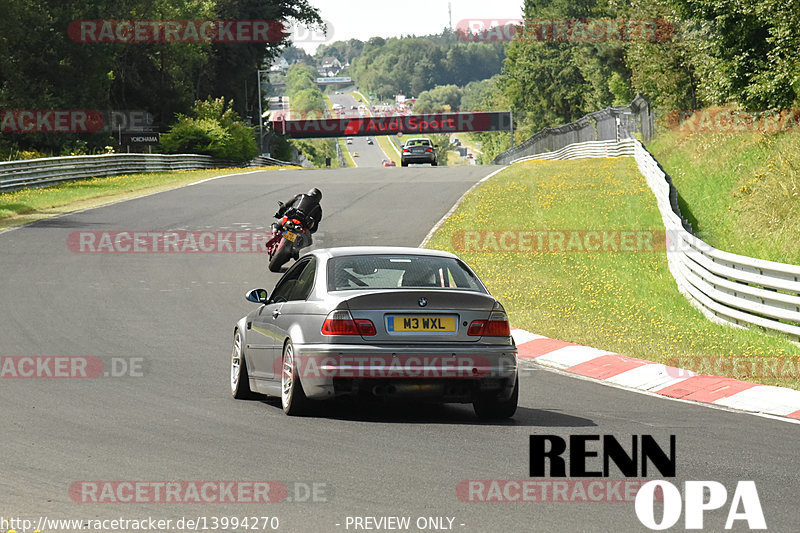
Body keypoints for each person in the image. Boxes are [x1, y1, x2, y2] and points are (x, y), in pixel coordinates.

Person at [270, 188, 323, 256]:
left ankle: (274, 234)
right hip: (301, 226)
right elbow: (315, 228)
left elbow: (285, 205)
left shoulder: (300, 196)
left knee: (276, 224)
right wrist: (309, 230)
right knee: (309, 242)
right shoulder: (319, 209)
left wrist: (278, 213)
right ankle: (297, 250)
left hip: (290, 219)